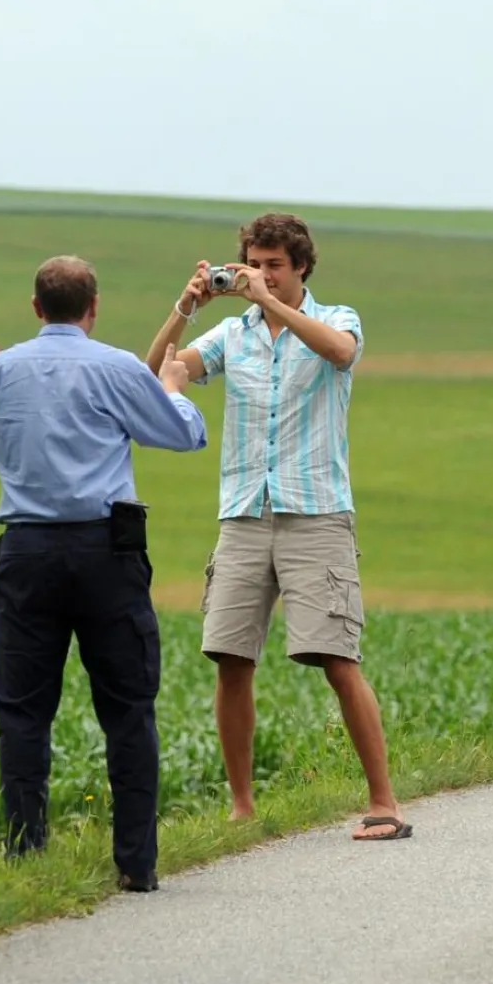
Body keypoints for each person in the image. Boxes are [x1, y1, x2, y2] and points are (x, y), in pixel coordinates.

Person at [0, 254, 208, 892]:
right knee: (129, 708)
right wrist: (174, 392)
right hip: (108, 552)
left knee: (23, 711)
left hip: (26, 553)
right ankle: (136, 863)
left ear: (35, 309)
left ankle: (27, 857)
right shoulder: (114, 367)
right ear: (94, 308)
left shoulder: (1, 370)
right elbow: (181, 435)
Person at [142, 213, 411, 842]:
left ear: (301, 268)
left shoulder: (337, 318)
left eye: (274, 266)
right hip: (244, 510)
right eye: (253, 264)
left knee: (337, 659)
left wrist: (271, 305)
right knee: (230, 659)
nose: (261, 276)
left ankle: (384, 803)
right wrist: (185, 306)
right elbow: (154, 375)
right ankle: (242, 808)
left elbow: (340, 354)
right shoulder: (231, 335)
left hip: (315, 511)